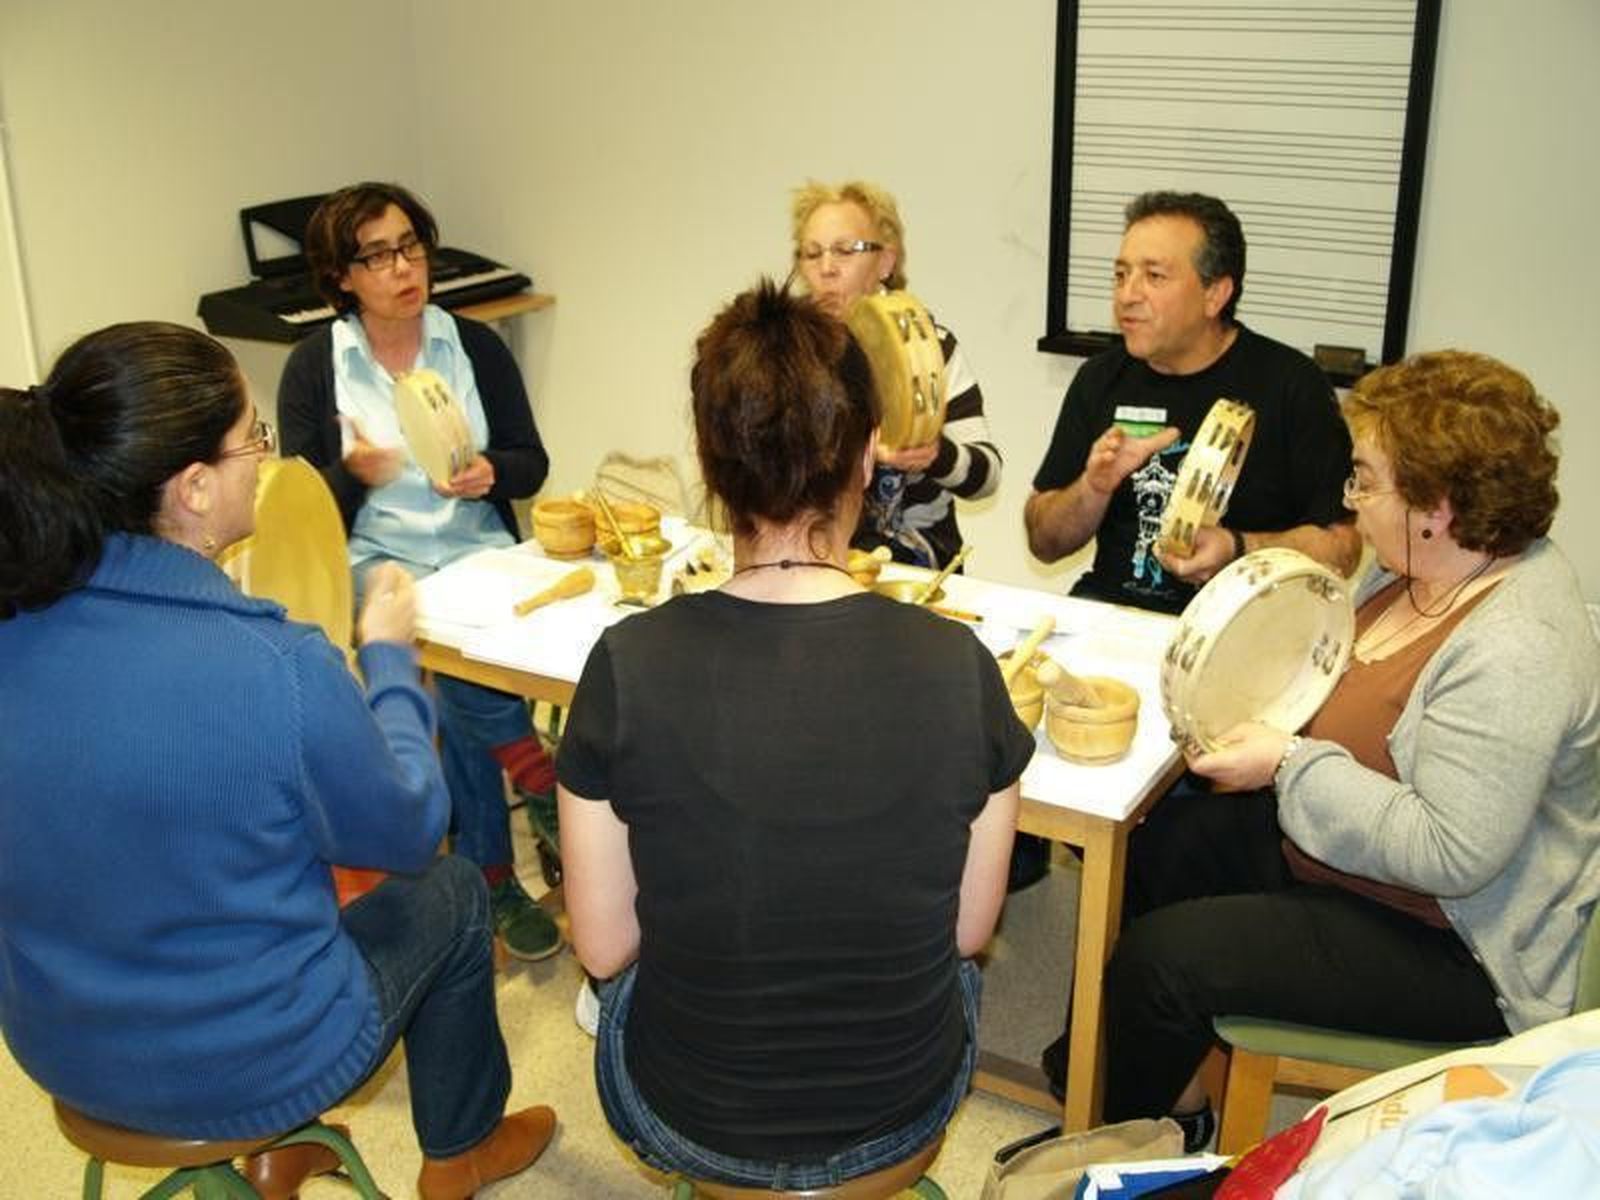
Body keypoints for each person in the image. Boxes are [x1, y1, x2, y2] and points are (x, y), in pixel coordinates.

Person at [0, 323, 556, 1200]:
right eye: (250, 440)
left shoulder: (16, 623)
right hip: (253, 1060)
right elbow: (410, 831)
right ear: (191, 489)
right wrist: (387, 663)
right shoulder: (278, 664)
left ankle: (277, 1145)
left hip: (63, 1050)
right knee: (447, 893)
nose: (263, 458)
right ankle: (463, 1150)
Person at [556, 280, 1035, 1188]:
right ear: (863, 459)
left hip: (695, 1124)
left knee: (611, 995)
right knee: (958, 974)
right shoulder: (959, 664)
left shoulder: (625, 662)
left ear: (708, 461)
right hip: (901, 1122)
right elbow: (969, 930)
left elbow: (606, 948)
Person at [1096, 350, 1600, 1149]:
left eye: (1365, 479)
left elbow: (1452, 852)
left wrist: (1288, 763)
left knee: (1164, 962)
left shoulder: (1517, 646)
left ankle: (1119, 1154)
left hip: (1452, 940)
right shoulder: (1420, 566)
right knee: (1164, 844)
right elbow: (1329, 672)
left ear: (1434, 505)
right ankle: (1163, 1095)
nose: (1350, 499)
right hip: (1357, 863)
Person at [279, 181, 560, 961]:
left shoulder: (474, 347)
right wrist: (353, 474)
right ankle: (536, 775)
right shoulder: (315, 367)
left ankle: (488, 873)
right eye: (378, 255)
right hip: (379, 560)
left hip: (477, 545)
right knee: (446, 644)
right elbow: (301, 513)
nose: (405, 267)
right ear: (342, 277)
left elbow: (531, 464)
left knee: (464, 678)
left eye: (412, 246)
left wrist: (488, 476)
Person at [1025, 190, 1360, 614]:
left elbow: (1343, 548)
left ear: (1215, 294)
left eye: (1154, 276)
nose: (1127, 295)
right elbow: (1044, 542)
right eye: (1121, 274)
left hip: (1243, 630)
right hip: (1112, 616)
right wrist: (1093, 487)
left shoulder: (1292, 385)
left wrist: (1240, 549)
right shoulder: (1100, 378)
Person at [791, 179, 1001, 570]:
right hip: (810, 557)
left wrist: (936, 454)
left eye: (845, 251)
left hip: (917, 566)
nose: (826, 269)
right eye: (812, 253)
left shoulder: (931, 349)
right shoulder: (787, 349)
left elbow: (987, 476)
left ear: (885, 262)